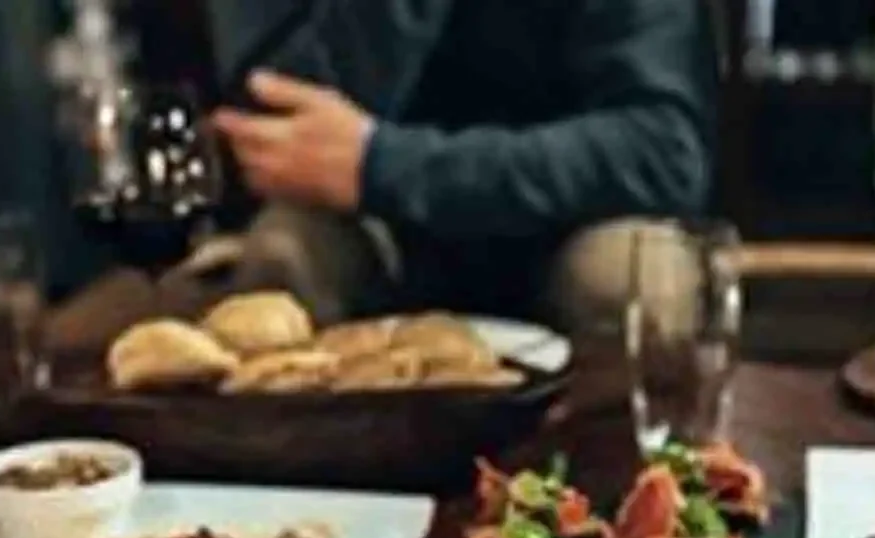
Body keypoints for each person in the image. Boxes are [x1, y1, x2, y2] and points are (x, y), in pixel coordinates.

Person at [207, 1, 718, 334]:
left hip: (568, 229)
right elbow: (261, 133)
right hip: (381, 238)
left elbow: (663, 152)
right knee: (286, 250)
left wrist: (387, 166)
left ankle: (619, 492)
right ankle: (307, 493)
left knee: (631, 278)